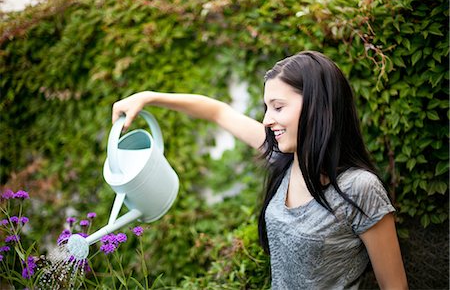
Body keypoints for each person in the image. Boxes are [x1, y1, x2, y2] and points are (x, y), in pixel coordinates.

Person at [112, 51, 408, 289]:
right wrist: (149, 97)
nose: (267, 120)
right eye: (266, 107)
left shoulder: (360, 188)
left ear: (319, 106)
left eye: (278, 107)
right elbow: (218, 112)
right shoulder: (285, 161)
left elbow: (394, 285)